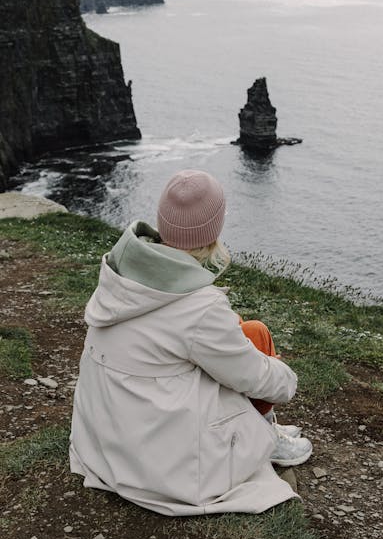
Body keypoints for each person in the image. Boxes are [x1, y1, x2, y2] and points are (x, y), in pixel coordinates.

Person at [69, 169, 312, 516]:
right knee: (254, 345)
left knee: (247, 330)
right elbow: (254, 376)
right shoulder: (200, 307)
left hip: (104, 440)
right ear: (214, 227)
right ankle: (265, 436)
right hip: (159, 464)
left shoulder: (122, 272)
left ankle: (263, 425)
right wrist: (288, 379)